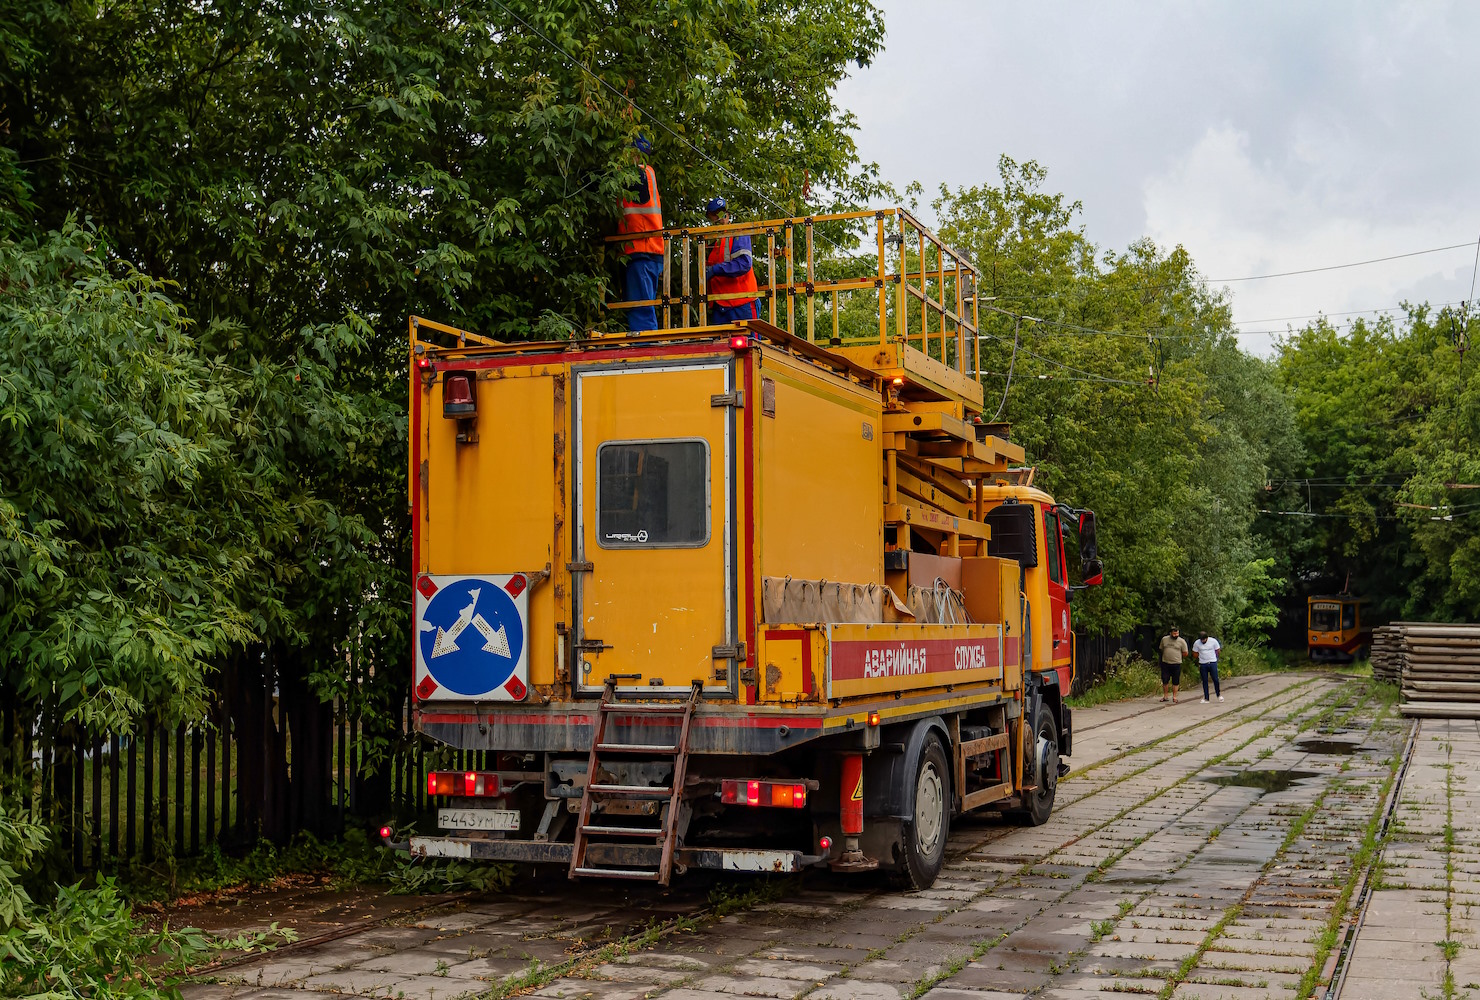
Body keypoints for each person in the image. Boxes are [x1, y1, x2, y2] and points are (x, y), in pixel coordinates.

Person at [618, 136, 663, 332]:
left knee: (640, 306)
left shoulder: (639, 174)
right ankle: (645, 340)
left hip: (642, 249)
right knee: (642, 303)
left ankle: (645, 344)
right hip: (646, 249)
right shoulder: (646, 174)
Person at [703, 196, 760, 325]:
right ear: (710, 218)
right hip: (720, 306)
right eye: (715, 214)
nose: (719, 218)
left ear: (728, 215)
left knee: (749, 344)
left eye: (722, 213)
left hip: (742, 303)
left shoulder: (738, 233)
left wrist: (715, 270)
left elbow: (744, 263)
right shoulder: (710, 242)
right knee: (720, 345)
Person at [1158, 626, 1188, 704]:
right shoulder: (1164, 639)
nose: (1176, 635)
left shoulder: (1181, 641)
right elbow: (1161, 649)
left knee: (1175, 680)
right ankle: (1165, 696)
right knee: (1165, 679)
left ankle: (1174, 697)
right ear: (1170, 633)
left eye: (1177, 633)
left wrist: (1178, 656)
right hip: (1165, 663)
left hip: (1176, 663)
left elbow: (1185, 653)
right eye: (1174, 633)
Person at [1192, 631, 1223, 703]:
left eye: (1204, 639)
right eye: (1201, 640)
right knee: (1204, 680)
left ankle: (1218, 695)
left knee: (1215, 679)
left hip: (1212, 662)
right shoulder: (1197, 643)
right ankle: (1206, 697)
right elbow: (1194, 653)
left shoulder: (1213, 641)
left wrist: (1215, 658)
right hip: (1203, 663)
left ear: (1207, 638)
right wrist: (1198, 657)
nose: (1203, 641)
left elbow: (1218, 650)